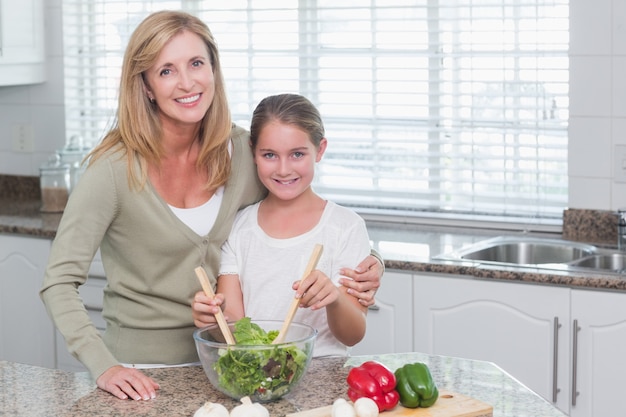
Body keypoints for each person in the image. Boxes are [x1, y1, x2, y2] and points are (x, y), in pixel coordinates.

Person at [39, 10, 383, 402]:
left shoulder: (243, 152)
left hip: (232, 369)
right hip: (143, 373)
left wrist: (372, 259)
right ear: (147, 86)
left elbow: (299, 204)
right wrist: (104, 364)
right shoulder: (114, 170)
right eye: (166, 70)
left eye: (196, 63)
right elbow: (58, 282)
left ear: (214, 70)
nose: (187, 82)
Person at [193, 94, 371, 356]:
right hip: (260, 377)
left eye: (297, 154)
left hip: (324, 378)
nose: (284, 169)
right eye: (270, 155)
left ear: (319, 150)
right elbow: (233, 323)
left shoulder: (346, 227)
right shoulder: (239, 227)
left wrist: (333, 298)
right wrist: (213, 318)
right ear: (254, 152)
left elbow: (353, 335)